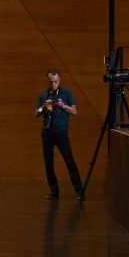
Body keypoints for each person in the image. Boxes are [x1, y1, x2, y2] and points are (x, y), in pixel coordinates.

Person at [35, 70, 84, 201]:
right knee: (48, 163)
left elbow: (74, 111)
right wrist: (44, 106)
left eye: (55, 81)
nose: (53, 84)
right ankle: (54, 190)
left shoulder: (67, 93)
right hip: (47, 133)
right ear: (47, 81)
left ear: (59, 80)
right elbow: (36, 113)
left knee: (70, 161)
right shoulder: (43, 94)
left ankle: (79, 191)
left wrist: (63, 105)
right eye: (51, 82)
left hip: (61, 133)